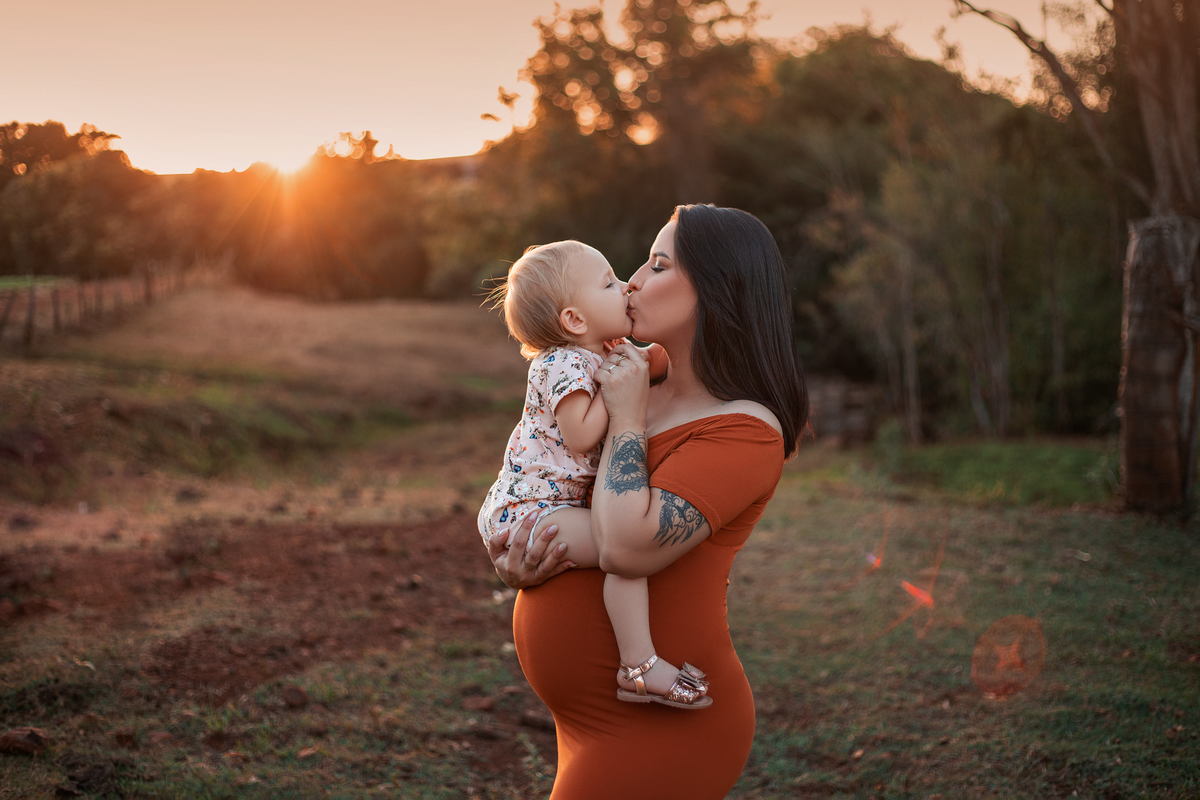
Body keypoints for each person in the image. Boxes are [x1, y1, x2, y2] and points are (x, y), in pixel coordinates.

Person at [486, 204, 809, 798]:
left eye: (658, 264)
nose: (632, 280)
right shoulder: (641, 374)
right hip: (586, 721)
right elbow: (568, 484)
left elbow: (627, 547)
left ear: (715, 290)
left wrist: (628, 416)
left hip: (662, 728)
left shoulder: (745, 430)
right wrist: (526, 556)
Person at [479, 239, 712, 709]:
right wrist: (623, 396)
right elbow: (581, 434)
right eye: (608, 283)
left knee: (620, 548)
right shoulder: (563, 362)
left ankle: (637, 663)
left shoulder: (605, 350)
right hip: (532, 511)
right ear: (574, 321)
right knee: (622, 553)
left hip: (552, 503)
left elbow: (655, 361)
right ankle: (638, 666)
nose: (625, 285)